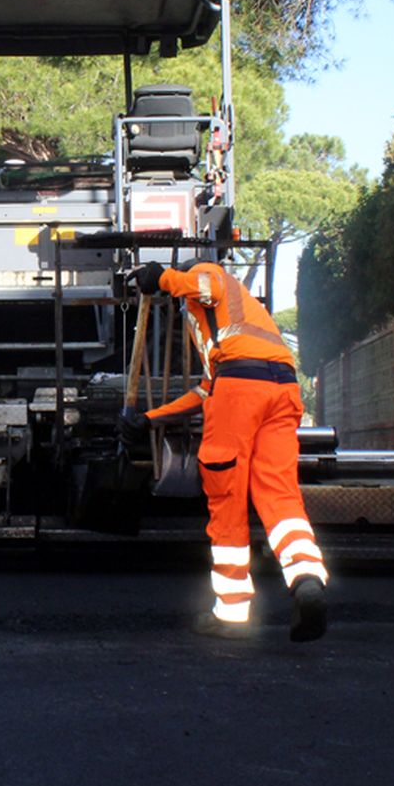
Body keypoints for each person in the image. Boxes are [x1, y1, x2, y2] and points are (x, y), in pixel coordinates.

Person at [121, 260, 329, 642]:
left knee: (227, 498)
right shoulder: (249, 322)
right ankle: (306, 578)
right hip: (282, 389)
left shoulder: (214, 278)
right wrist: (151, 418)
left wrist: (162, 278)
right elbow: (207, 389)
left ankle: (231, 613)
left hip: (240, 392)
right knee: (281, 496)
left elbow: (204, 286)